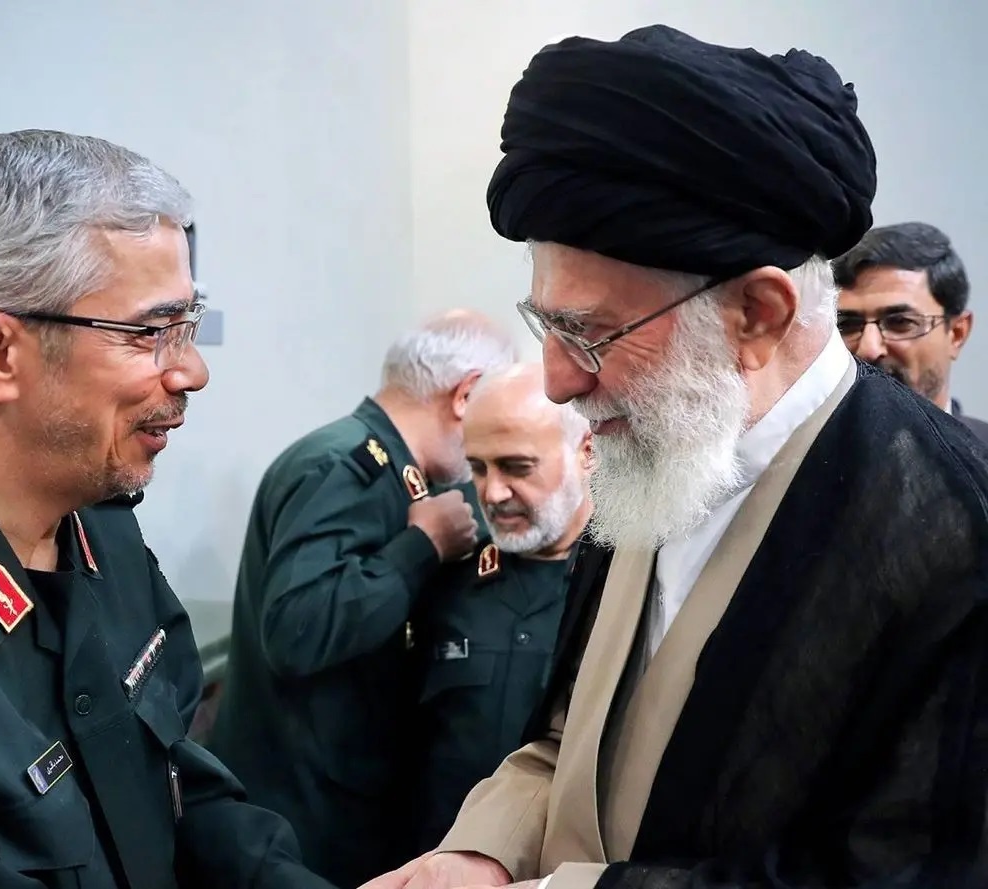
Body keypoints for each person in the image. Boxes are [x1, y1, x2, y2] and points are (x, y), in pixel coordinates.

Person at [363, 24, 988, 889]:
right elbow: (571, 731)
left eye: (589, 332)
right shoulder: (656, 448)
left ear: (757, 314)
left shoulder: (954, 536)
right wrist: (483, 852)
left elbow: (896, 871)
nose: (555, 381)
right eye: (547, 323)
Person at [0, 129, 333, 889]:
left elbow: (180, 789)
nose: (192, 370)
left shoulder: (100, 522)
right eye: (149, 332)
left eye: (188, 324)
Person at [209, 312, 515, 887]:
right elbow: (298, 630)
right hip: (302, 815)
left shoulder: (394, 469)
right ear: (465, 394)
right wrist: (422, 546)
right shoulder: (341, 467)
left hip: (344, 797)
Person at [410, 363, 592, 855]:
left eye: (517, 467)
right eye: (477, 467)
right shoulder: (444, 580)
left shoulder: (622, 589)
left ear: (587, 453)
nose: (492, 492)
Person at [834, 221, 988, 442]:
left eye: (900, 322)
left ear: (956, 334)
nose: (869, 349)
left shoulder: (981, 456)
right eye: (848, 324)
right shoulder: (801, 456)